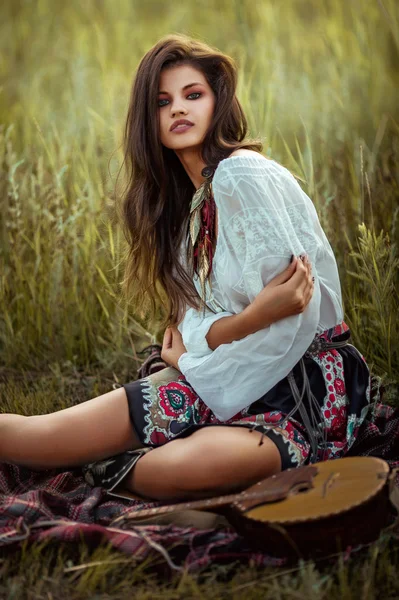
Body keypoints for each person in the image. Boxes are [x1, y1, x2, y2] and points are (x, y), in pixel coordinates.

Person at [0, 34, 371, 504]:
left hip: (300, 389)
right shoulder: (183, 214)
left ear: (217, 102)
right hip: (213, 371)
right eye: (163, 102)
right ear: (147, 121)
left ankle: (107, 460)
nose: (178, 109)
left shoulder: (242, 174)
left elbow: (292, 316)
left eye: (193, 95)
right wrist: (210, 347)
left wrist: (203, 354)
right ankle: (102, 453)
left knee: (172, 470)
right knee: (40, 437)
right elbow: (191, 328)